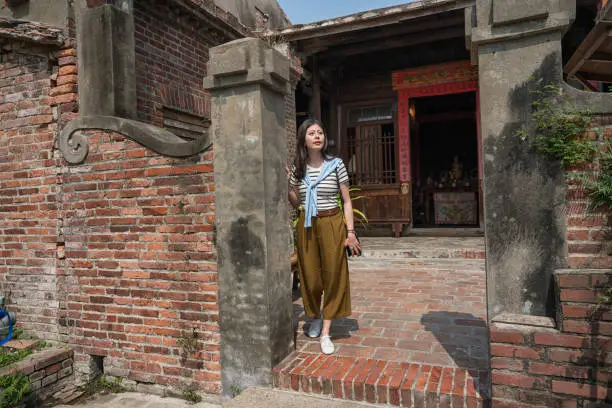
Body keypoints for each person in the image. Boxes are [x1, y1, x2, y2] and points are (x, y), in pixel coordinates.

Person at [287, 118, 361, 355]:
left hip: (331, 222)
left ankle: (326, 331)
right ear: (304, 140)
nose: (317, 136)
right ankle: (317, 315)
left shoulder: (336, 164)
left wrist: (350, 232)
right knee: (310, 276)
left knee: (332, 275)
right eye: (311, 133)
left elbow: (347, 201)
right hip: (307, 226)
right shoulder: (298, 168)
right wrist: (289, 185)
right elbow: (296, 201)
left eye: (320, 132)